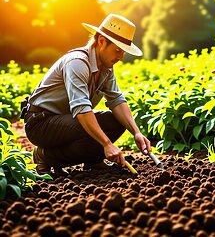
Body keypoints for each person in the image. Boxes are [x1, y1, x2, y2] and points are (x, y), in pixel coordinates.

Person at [23, 14, 151, 175]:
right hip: (41, 123)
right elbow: (81, 109)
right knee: (89, 127)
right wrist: (106, 144)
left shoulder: (106, 67)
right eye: (117, 50)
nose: (120, 57)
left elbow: (116, 100)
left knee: (116, 122)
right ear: (101, 41)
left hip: (66, 120)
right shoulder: (77, 62)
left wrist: (136, 132)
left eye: (123, 52)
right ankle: (45, 156)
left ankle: (93, 161)